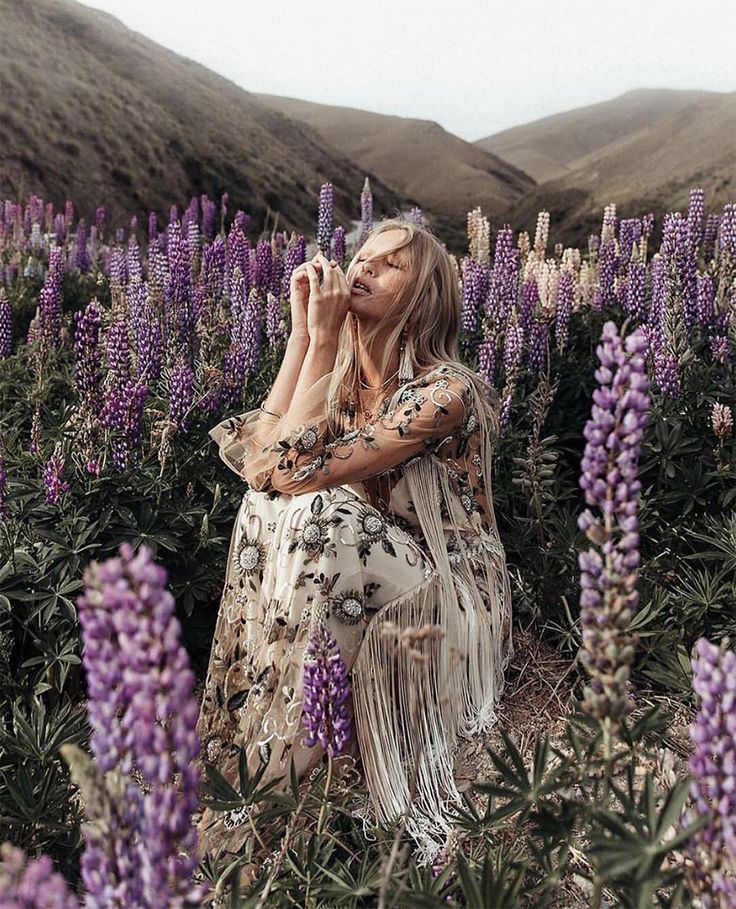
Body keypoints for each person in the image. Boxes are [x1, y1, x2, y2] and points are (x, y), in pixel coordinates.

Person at [195, 216, 514, 867]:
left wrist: (322, 342)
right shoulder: (342, 384)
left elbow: (297, 470)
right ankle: (242, 748)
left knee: (323, 517)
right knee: (263, 509)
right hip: (373, 572)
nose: (361, 267)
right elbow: (260, 467)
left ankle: (280, 782)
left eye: (386, 263)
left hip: (451, 600)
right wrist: (304, 336)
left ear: (425, 295)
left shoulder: (447, 393)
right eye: (360, 256)